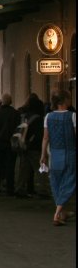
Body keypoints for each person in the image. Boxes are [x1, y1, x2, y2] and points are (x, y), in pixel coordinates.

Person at [39, 91, 76, 227]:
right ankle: (57, 213)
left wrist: (43, 155)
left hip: (54, 155)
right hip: (70, 154)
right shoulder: (72, 116)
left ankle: (62, 212)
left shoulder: (48, 117)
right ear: (65, 100)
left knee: (57, 183)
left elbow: (45, 138)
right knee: (70, 181)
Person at [16, 93, 46, 199]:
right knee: (40, 169)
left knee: (23, 169)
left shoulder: (23, 115)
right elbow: (38, 134)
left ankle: (20, 189)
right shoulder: (38, 118)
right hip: (34, 147)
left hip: (23, 146)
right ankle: (42, 190)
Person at [0, 93, 20, 196]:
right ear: (11, 101)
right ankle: (10, 189)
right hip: (10, 142)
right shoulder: (15, 113)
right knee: (10, 166)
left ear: (0, 101)